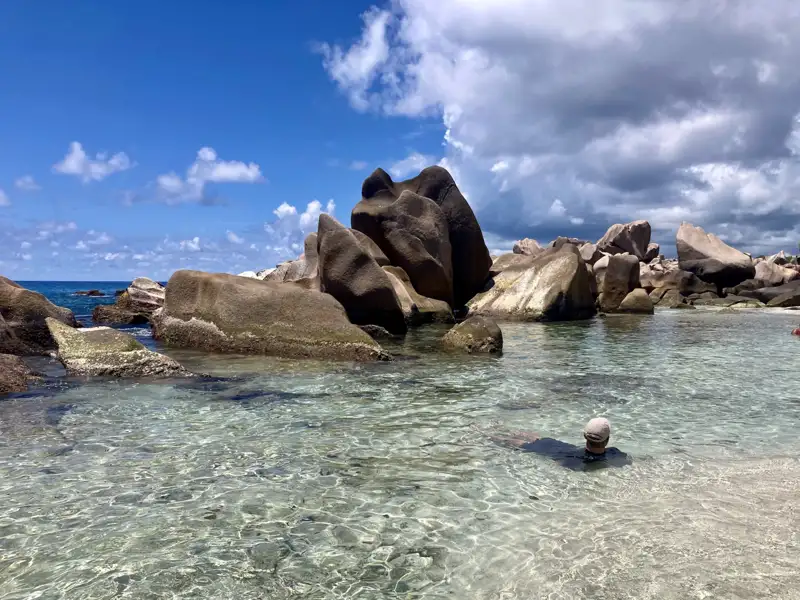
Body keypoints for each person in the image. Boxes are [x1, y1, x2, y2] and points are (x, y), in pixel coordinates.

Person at [490, 417, 631, 471]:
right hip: (558, 452)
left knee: (532, 437)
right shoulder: (616, 454)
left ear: (584, 436)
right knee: (519, 442)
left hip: (561, 448)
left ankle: (489, 430)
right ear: (607, 439)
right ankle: (488, 433)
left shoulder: (574, 462)